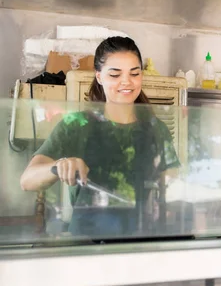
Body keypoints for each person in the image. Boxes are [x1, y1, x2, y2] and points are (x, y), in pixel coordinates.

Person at [20, 37, 180, 236]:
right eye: (115, 74)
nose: (126, 82)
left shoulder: (156, 129)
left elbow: (172, 183)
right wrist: (59, 165)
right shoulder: (76, 125)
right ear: (99, 76)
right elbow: (27, 180)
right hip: (88, 245)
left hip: (142, 242)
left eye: (134, 73)